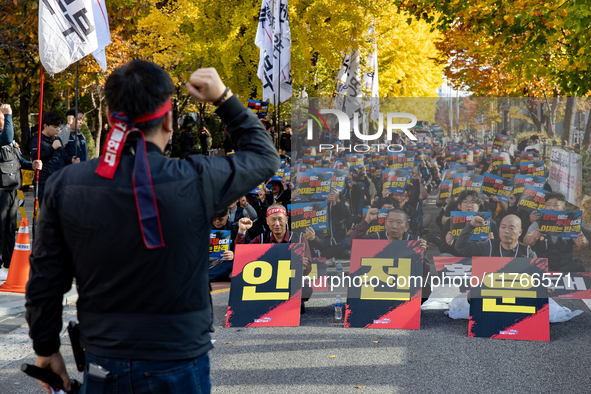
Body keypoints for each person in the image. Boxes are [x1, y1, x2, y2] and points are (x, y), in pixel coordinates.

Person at [25, 61, 280, 394]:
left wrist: (45, 349)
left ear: (111, 116)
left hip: (103, 359)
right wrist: (224, 98)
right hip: (179, 357)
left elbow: (45, 278)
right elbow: (264, 157)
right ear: (169, 120)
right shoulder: (196, 177)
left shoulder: (65, 185)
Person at [236, 204, 312, 312]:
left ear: (286, 220)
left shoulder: (299, 238)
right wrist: (242, 231)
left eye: (280, 219)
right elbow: (241, 257)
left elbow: (308, 268)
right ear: (267, 221)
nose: (277, 224)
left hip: (290, 283)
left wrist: (304, 266)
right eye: (273, 219)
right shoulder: (261, 239)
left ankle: (292, 301)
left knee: (306, 290)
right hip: (265, 283)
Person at [0, 104, 42, 280]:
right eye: (2, 116)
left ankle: (8, 264)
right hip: (1, 189)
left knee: (10, 228)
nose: (3, 119)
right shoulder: (4, 136)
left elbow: (17, 158)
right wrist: (9, 114)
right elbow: (7, 136)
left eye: (4, 117)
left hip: (12, 188)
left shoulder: (9, 139)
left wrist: (30, 165)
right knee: (1, 227)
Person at [523, 192, 589, 272]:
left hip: (565, 266)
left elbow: (583, 244)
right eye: (549, 205)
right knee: (531, 267)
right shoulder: (538, 224)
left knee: (578, 267)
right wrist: (533, 237)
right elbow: (526, 241)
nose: (552, 208)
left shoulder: (571, 223)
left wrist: (583, 242)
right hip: (543, 267)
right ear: (545, 207)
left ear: (563, 208)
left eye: (555, 205)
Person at [29, 112, 80, 207]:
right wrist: (52, 148)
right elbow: (37, 159)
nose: (58, 130)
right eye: (55, 127)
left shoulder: (56, 139)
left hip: (59, 180)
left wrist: (71, 160)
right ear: (45, 126)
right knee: (48, 211)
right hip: (45, 182)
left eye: (59, 127)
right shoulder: (37, 140)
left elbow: (62, 157)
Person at [455, 214, 536, 257]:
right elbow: (461, 247)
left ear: (520, 232)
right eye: (503, 227)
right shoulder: (489, 246)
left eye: (511, 228)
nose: (506, 231)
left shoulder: (527, 253)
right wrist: (471, 226)